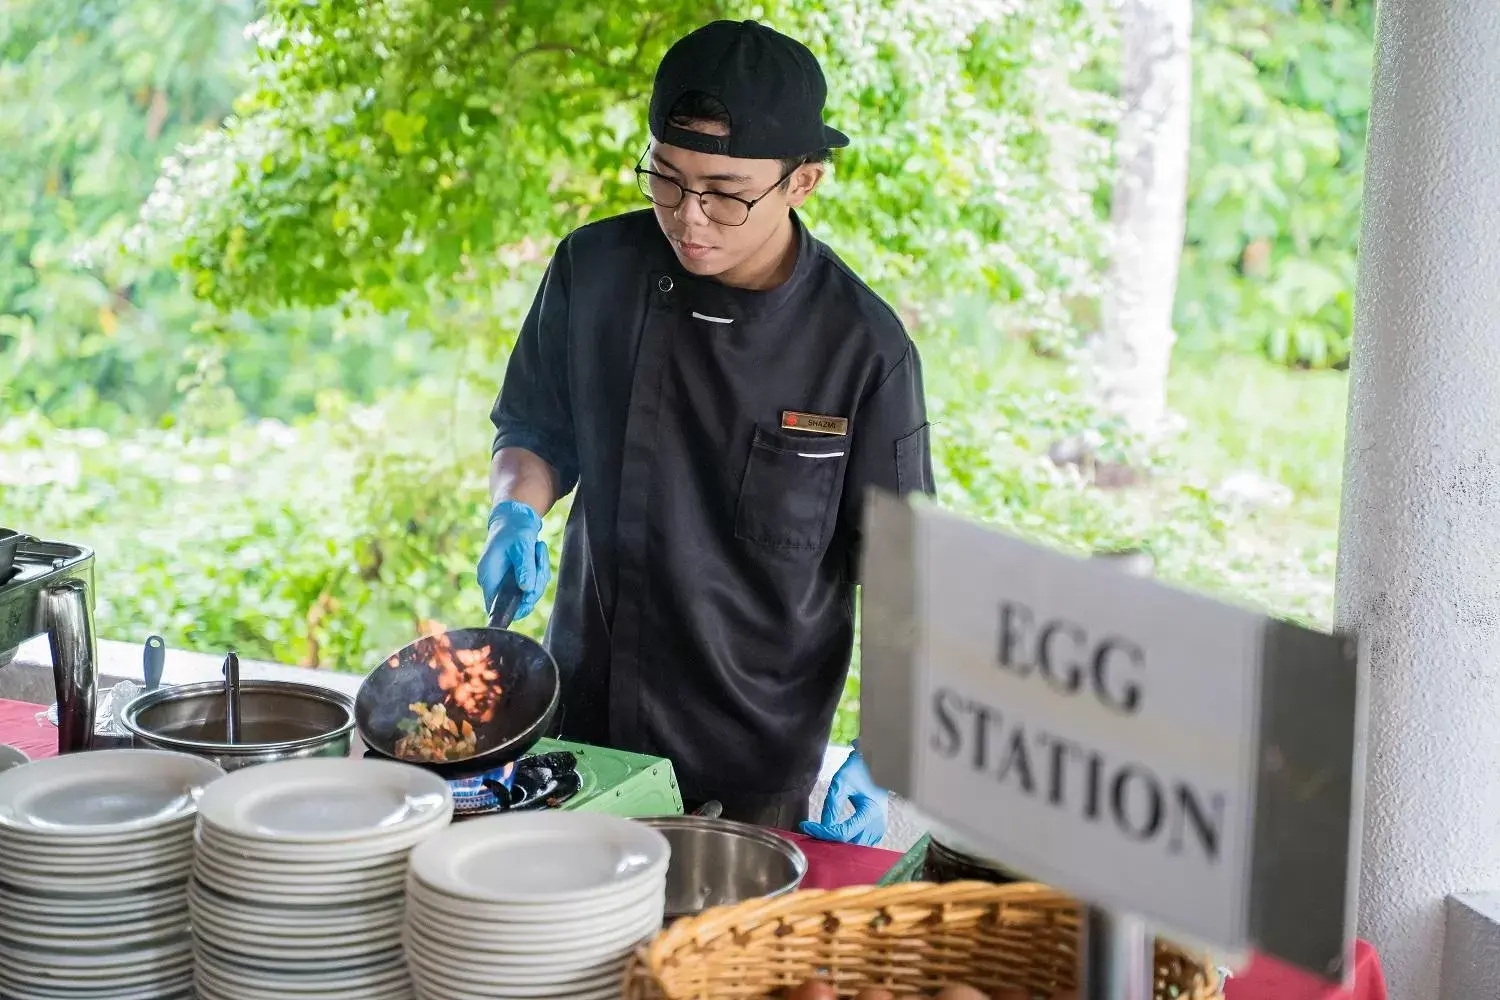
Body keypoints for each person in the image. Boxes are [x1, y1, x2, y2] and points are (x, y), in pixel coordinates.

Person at [479, 18, 934, 846]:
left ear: (803, 182)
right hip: (583, 719)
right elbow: (534, 426)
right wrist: (515, 510)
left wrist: (887, 743)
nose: (689, 217)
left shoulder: (862, 349)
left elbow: (902, 572)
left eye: (726, 193)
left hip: (754, 757)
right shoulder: (594, 270)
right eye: (666, 177)